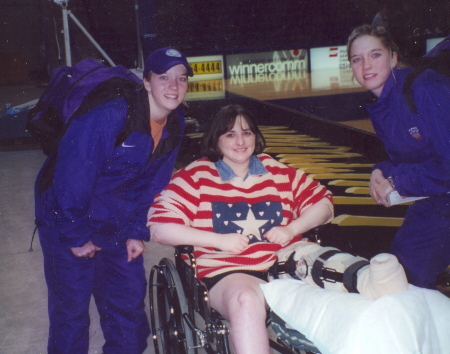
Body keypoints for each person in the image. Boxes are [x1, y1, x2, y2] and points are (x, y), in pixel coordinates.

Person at [35, 47, 193, 353]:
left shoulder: (175, 124)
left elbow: (152, 184)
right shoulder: (113, 114)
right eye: (164, 77)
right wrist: (76, 236)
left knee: (127, 308)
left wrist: (136, 231)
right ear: (146, 82)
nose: (173, 86)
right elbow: (71, 177)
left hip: (115, 220)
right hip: (65, 215)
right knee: (72, 310)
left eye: (181, 78)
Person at [147, 104, 333, 354]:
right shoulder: (196, 176)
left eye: (246, 132)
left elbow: (324, 203)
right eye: (230, 134)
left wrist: (292, 229)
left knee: (341, 275)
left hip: (285, 263)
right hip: (228, 271)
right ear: (216, 139)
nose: (240, 141)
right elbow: (159, 227)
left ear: (256, 137)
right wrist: (218, 240)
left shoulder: (277, 171)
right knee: (246, 300)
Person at [346, 25, 450, 289]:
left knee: (402, 278)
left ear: (393, 57)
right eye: (357, 59)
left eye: (375, 55)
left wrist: (398, 180)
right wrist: (380, 171)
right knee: (396, 275)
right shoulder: (382, 104)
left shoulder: (424, 88)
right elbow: (413, 158)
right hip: (441, 200)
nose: (366, 65)